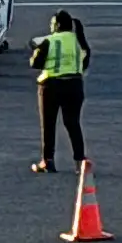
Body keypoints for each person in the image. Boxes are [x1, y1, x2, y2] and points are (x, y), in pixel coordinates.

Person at [30, 9, 87, 174]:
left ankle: (48, 161)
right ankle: (80, 163)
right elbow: (85, 59)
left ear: (58, 25)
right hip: (75, 85)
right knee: (73, 123)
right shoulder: (78, 40)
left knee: (48, 124)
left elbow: (35, 63)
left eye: (52, 24)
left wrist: (35, 52)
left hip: (51, 86)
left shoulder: (50, 41)